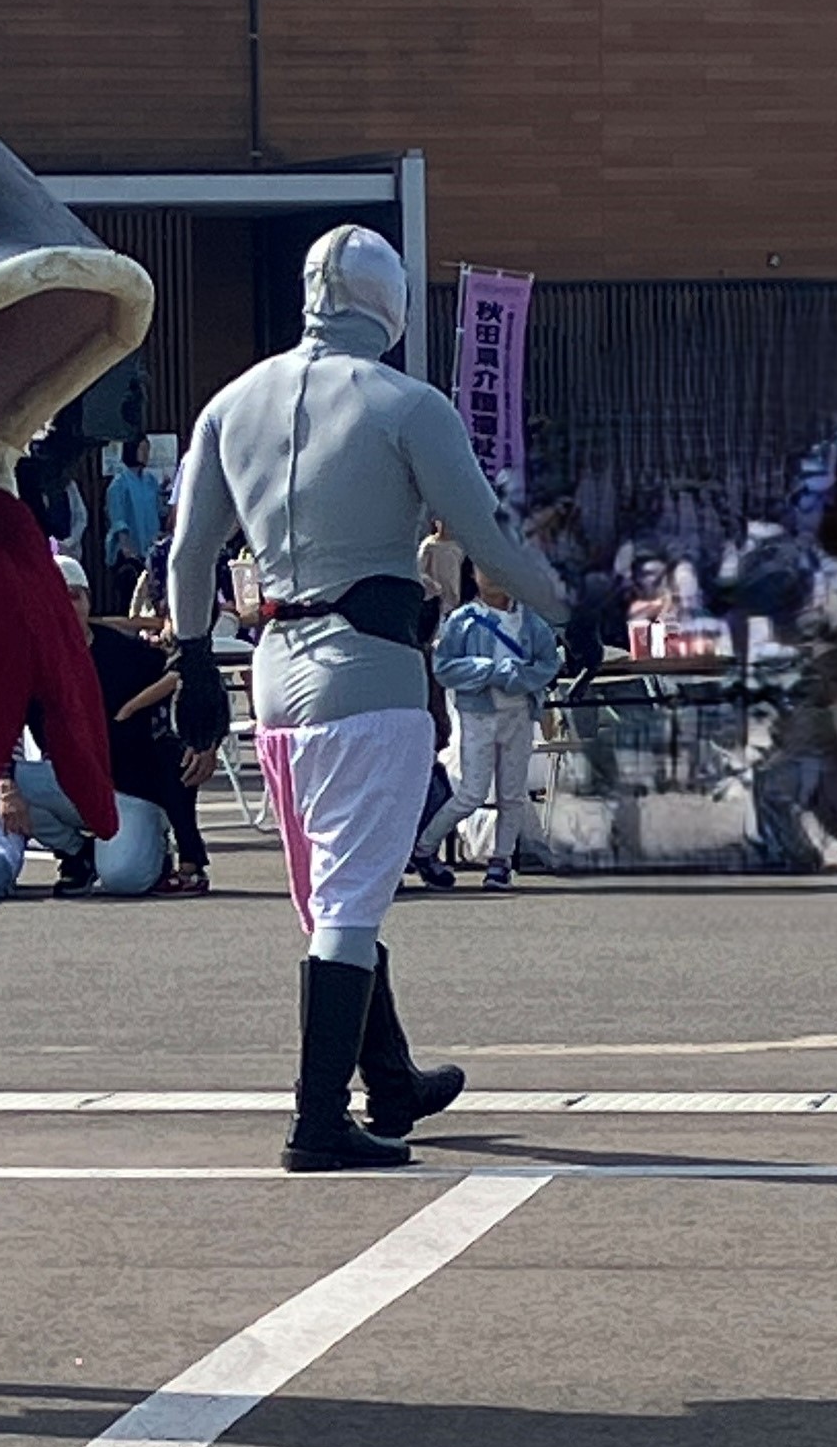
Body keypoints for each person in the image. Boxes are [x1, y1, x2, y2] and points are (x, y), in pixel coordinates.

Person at [168, 225, 569, 1169]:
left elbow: (190, 555)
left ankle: (389, 1077)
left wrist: (191, 660)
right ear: (386, 304)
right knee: (349, 900)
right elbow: (487, 539)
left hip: (275, 672)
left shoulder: (231, 403)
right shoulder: (407, 404)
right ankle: (317, 1118)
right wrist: (566, 607)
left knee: (332, 893)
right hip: (373, 669)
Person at [2, 557, 179, 894]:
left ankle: (152, 842)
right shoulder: (28, 662)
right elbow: (1, 729)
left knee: (122, 879)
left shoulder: (128, 652)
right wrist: (5, 786)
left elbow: (186, 673)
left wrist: (204, 740)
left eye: (74, 595)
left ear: (88, 600)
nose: (67, 606)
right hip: (70, 782)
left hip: (129, 789)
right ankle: (75, 852)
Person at [413, 569, 562, 888]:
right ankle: (423, 849)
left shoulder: (531, 621)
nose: (494, 576)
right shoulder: (463, 620)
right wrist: (490, 671)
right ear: (472, 574)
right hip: (478, 716)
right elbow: (445, 668)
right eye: (484, 568)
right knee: (471, 792)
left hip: (519, 715)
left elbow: (548, 664)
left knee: (513, 794)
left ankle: (501, 861)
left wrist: (520, 679)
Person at [104, 438, 165, 616]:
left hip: (151, 549)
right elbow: (118, 518)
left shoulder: (150, 481)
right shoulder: (119, 483)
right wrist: (126, 547)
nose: (146, 454)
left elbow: (159, 509)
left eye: (148, 449)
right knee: (130, 600)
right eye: (142, 449)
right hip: (129, 553)